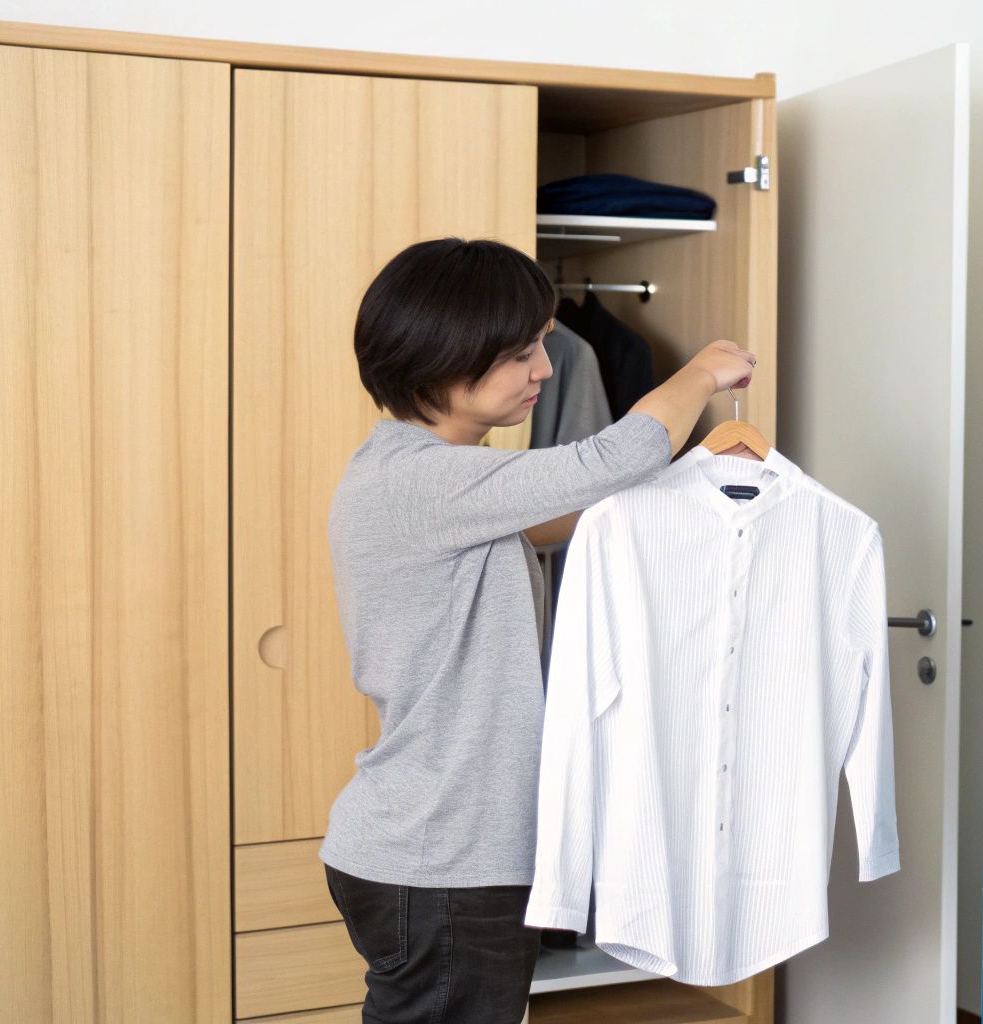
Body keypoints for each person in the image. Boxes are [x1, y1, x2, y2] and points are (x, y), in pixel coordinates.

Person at [318, 236, 755, 1022]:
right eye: (522, 355)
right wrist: (702, 372)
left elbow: (555, 519)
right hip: (443, 856)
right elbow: (611, 457)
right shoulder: (425, 481)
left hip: (430, 847)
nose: (545, 373)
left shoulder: (414, 473)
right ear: (447, 357)